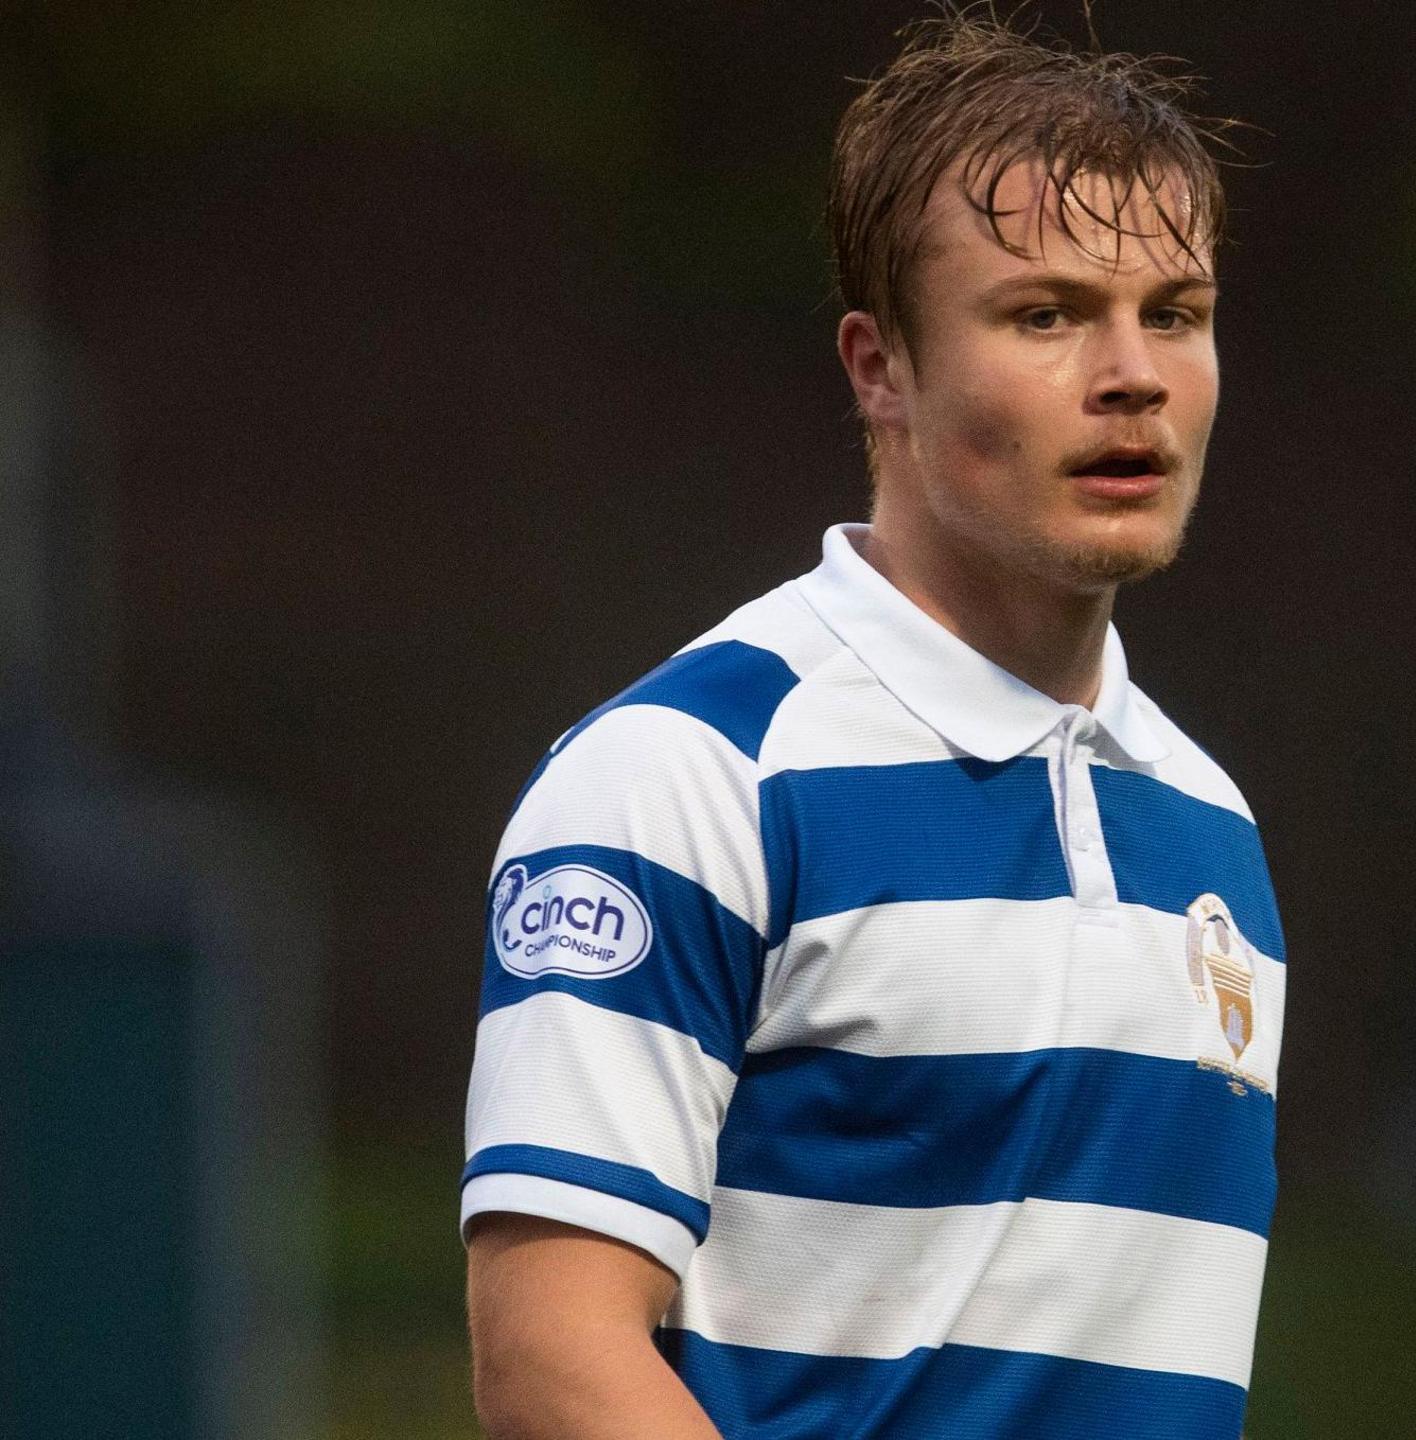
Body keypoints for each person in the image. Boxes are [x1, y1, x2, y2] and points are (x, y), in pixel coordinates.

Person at [459, 14, 1286, 1438]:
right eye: (1044, 314)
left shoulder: (1210, 823)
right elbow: (551, 1365)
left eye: (1175, 312)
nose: (1132, 373)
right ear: (878, 368)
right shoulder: (691, 774)